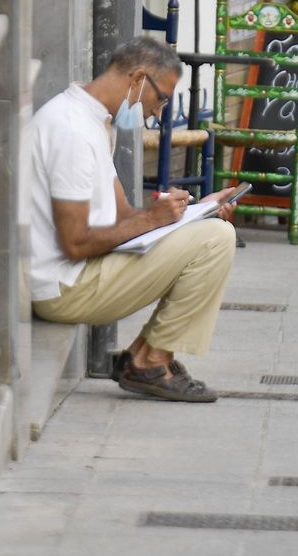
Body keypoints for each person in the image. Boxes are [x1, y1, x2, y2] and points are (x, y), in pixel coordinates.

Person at [26, 38, 242, 401]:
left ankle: (146, 357)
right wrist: (155, 221)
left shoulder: (89, 119)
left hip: (79, 271)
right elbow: (75, 242)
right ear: (138, 78)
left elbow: (125, 214)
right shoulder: (72, 131)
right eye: (161, 98)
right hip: (62, 287)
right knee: (216, 240)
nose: (157, 112)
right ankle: (151, 361)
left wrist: (193, 212)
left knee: (211, 229)